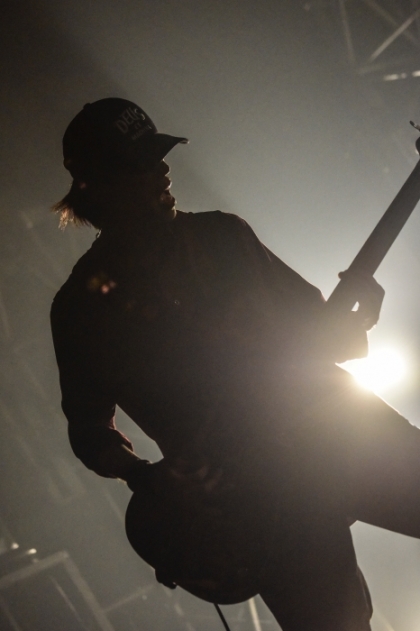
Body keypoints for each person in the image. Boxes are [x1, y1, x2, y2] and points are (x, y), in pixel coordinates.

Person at [51, 98, 420, 631]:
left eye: (160, 156)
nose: (163, 170)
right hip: (258, 501)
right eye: (143, 163)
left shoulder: (223, 236)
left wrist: (356, 320)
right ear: (99, 186)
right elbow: (89, 430)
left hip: (338, 427)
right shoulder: (82, 309)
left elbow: (321, 334)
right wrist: (145, 477)